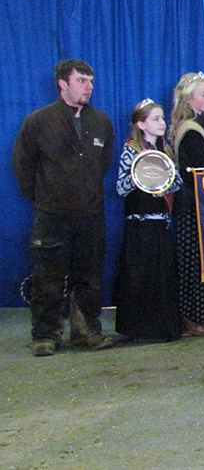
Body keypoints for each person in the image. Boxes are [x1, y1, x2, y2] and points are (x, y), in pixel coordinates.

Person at [13, 59, 115, 356]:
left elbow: (102, 163)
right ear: (63, 84)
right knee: (47, 278)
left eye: (91, 81)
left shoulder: (101, 121)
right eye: (82, 80)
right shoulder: (38, 121)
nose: (89, 86)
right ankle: (45, 335)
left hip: (91, 213)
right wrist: (47, 196)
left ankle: (87, 331)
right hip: (51, 214)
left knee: (90, 276)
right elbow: (23, 165)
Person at [114, 98, 183, 342]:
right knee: (139, 277)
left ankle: (162, 327)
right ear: (141, 124)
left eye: (162, 118)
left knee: (161, 277)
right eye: (155, 119)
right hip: (139, 224)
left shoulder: (165, 151)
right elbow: (121, 188)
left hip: (161, 223)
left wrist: (163, 184)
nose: (162, 123)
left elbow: (177, 182)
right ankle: (139, 329)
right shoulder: (131, 150)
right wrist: (139, 174)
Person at [170, 72, 204, 337]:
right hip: (195, 205)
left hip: (199, 204)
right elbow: (203, 172)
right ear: (189, 99)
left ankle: (201, 316)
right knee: (197, 262)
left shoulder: (197, 126)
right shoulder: (192, 130)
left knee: (202, 261)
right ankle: (194, 318)